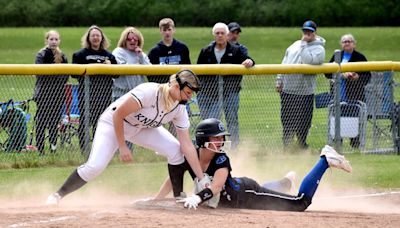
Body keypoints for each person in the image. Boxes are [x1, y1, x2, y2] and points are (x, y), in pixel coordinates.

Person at [46, 69, 210, 205]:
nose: (189, 97)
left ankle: (177, 198)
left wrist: (201, 178)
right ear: (175, 86)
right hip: (112, 124)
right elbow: (118, 114)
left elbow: (187, 145)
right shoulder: (149, 92)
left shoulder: (179, 109)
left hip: (141, 128)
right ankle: (57, 195)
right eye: (187, 93)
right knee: (95, 167)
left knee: (176, 150)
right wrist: (122, 146)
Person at [175, 118, 352, 210]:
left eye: (222, 137)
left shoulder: (221, 159)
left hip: (247, 195)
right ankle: (285, 183)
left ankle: (325, 160)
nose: (221, 141)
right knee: (265, 189)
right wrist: (158, 199)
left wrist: (197, 198)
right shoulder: (192, 157)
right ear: (203, 139)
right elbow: (173, 179)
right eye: (216, 137)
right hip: (242, 190)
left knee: (300, 203)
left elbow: (216, 186)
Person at [197, 22, 254, 149]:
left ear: (227, 35)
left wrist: (249, 62)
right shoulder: (206, 51)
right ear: (213, 35)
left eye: (222, 33)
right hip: (209, 93)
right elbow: (198, 71)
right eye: (217, 33)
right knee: (210, 121)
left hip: (230, 93)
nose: (220, 36)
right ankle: (210, 147)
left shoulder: (236, 50)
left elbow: (249, 60)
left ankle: (234, 147)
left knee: (232, 120)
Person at [276, 20, 326, 149]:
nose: (306, 33)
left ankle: (301, 145)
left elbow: (307, 61)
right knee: (287, 120)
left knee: (304, 121)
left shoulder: (319, 49)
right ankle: (287, 146)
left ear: (315, 32)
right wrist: (279, 80)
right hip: (288, 89)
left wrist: (304, 44)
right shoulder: (294, 45)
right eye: (305, 31)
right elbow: (284, 62)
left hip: (305, 92)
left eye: (309, 31)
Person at [71, 25, 117, 152]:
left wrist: (110, 66)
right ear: (88, 38)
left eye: (98, 35)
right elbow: (73, 74)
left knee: (101, 123)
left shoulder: (109, 56)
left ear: (102, 38)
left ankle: (99, 150)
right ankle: (85, 150)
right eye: (93, 35)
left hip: (104, 95)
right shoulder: (80, 55)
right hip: (86, 95)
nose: (95, 38)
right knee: (85, 122)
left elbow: (117, 74)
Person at [325, 34, 371, 148]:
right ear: (341, 44)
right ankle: (337, 142)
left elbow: (367, 76)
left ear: (354, 44)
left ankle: (355, 143)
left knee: (354, 117)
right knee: (337, 117)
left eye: (349, 41)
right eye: (344, 41)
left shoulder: (360, 57)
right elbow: (327, 73)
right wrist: (340, 74)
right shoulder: (337, 56)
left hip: (355, 94)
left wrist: (357, 77)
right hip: (338, 93)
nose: (347, 43)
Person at [33, 30, 69, 155]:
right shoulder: (41, 54)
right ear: (46, 40)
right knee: (42, 121)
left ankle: (53, 147)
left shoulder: (62, 55)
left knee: (54, 121)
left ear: (59, 41)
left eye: (56, 39)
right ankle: (40, 148)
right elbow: (40, 74)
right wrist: (54, 78)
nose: (54, 41)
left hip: (57, 94)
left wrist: (56, 80)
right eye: (51, 39)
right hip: (43, 93)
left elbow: (66, 75)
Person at [112, 26, 151, 101]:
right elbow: (121, 69)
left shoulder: (141, 54)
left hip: (138, 94)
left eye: (135, 39)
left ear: (138, 41)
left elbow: (150, 70)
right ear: (124, 40)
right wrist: (138, 66)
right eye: (129, 39)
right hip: (121, 94)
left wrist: (141, 57)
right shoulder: (118, 51)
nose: (132, 41)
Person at [148, 18, 191, 84]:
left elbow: (187, 69)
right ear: (160, 31)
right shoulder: (154, 51)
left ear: (174, 30)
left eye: (169, 29)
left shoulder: (182, 48)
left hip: (179, 85)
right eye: (164, 30)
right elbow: (150, 74)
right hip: (162, 86)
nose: (167, 32)